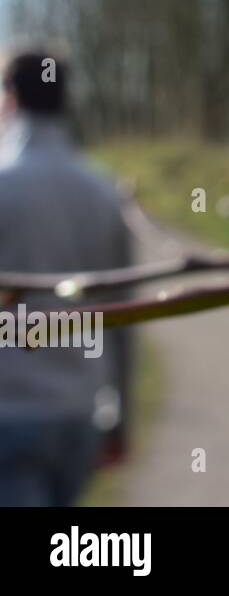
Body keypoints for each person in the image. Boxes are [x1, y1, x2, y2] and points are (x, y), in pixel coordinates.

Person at [0, 47, 133, 506]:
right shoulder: (103, 192)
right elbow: (123, 315)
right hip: (80, 413)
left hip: (10, 416)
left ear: (10, 98)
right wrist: (121, 416)